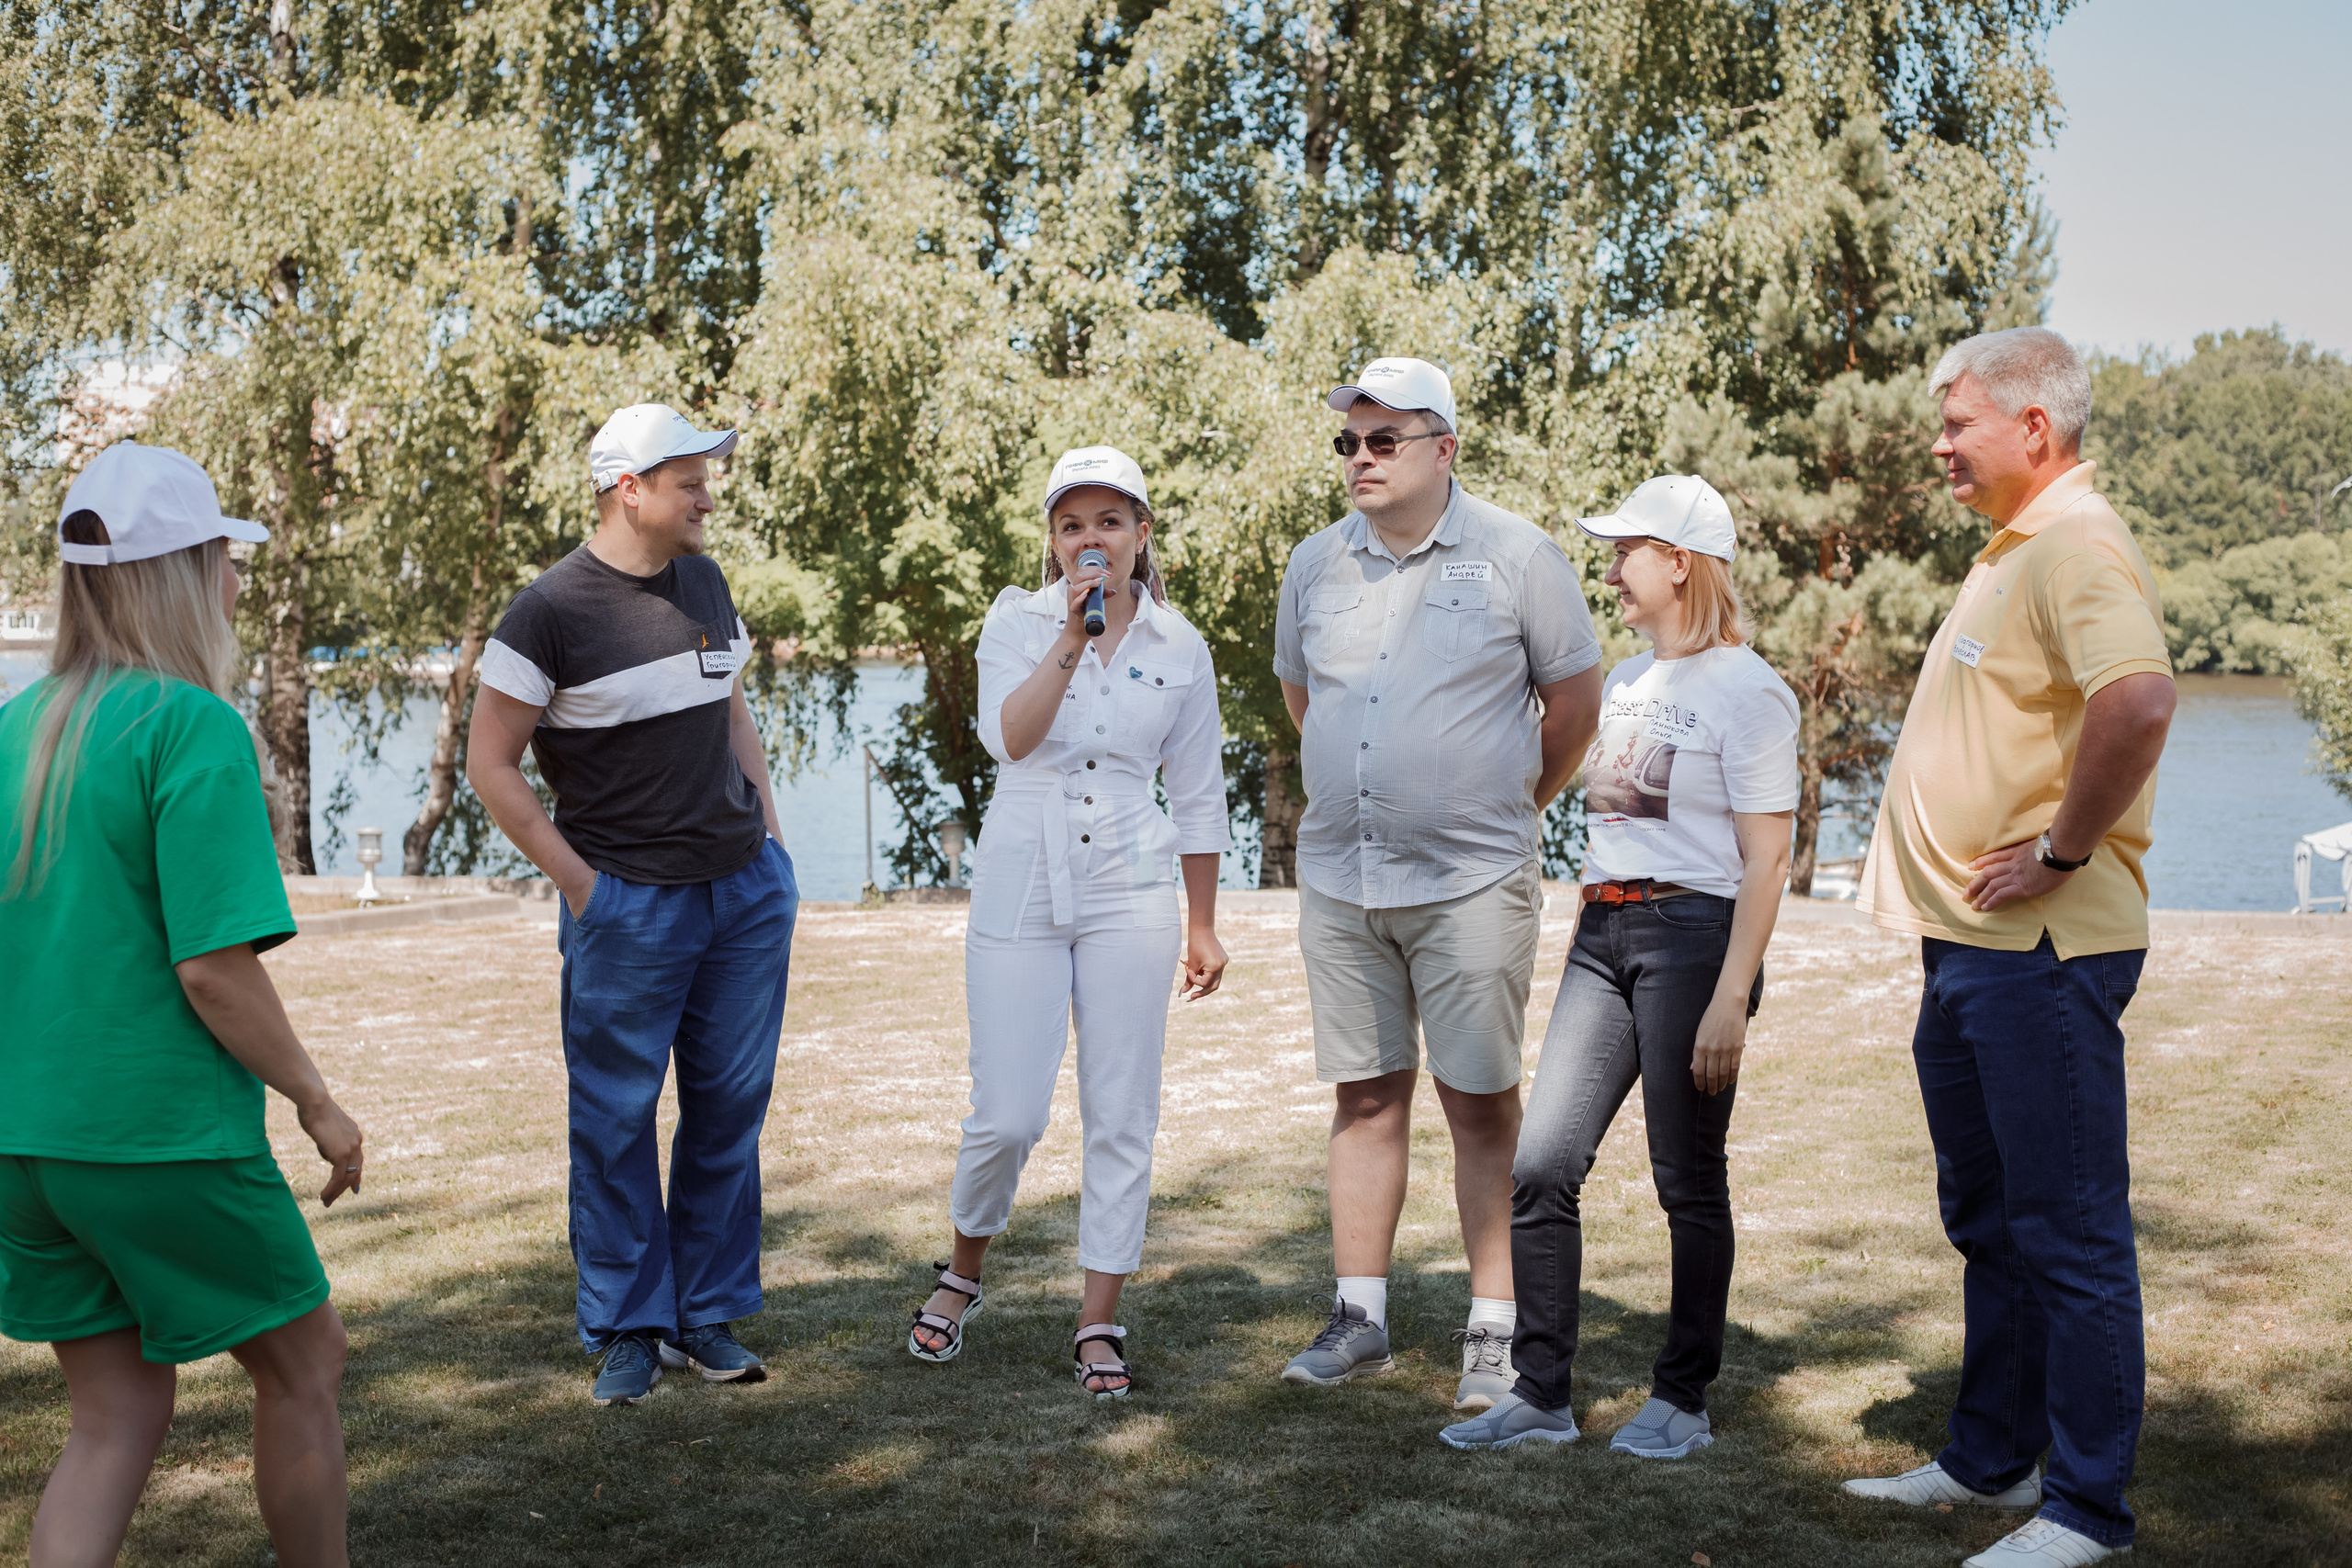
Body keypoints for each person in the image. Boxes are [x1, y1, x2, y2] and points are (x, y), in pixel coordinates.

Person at [1842, 327, 2175, 1568]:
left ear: (2035, 428)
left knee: (2071, 1227)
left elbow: (2136, 701)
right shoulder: (2016, 548)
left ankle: (2088, 1508)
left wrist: (2063, 853)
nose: (1938, 443)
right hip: (1971, 946)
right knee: (1991, 1217)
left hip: (2040, 943)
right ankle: (1992, 1456)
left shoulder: (2077, 541)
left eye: (1957, 421)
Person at [0, 442, 364, 1567]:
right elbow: (213, 969)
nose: (238, 583)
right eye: (225, 559)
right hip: (157, 1137)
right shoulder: (192, 727)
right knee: (307, 1367)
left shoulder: (14, 727)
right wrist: (314, 1099)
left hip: (25, 1143)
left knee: (116, 1415)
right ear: (183, 572)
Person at [1438, 475, 1795, 1454]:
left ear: (1679, 563)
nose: (1608, 570)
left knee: (1687, 1176)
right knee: (1543, 1162)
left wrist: (1733, 994)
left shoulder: (1750, 689)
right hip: (1601, 935)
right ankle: (1541, 1395)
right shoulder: (1629, 682)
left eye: (1625, 551)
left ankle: (1681, 1400)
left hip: (1693, 940)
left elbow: (1768, 857)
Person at [1272, 358, 1604, 1411]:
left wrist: (1507, 803)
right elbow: (1302, 698)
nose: (1360, 460)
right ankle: (1359, 1315)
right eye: (1348, 443)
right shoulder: (1314, 565)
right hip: (1340, 876)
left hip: (1472, 881)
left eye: (1383, 441)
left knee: (1478, 1102)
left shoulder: (1517, 557)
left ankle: (1494, 1331)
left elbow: (1576, 703)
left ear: (1443, 448)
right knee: (1364, 1095)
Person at [468, 404, 798, 1406]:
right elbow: (490, 765)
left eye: (707, 474)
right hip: (628, 907)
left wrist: (774, 841)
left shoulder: (704, 579)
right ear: (630, 490)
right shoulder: (548, 612)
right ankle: (626, 1326)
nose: (707, 493)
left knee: (728, 1112)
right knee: (615, 1121)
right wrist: (582, 889)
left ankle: (705, 1316)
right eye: (689, 478)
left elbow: (729, 702)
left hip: (742, 893)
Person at [905, 446, 1231, 1399]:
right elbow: (1011, 736)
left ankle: (1098, 1319)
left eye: (1110, 522)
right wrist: (1071, 637)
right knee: (1006, 1113)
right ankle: (961, 1274)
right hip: (1019, 877)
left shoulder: (1182, 647)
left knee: (1122, 1109)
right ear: (1053, 540)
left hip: (1132, 884)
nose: (1092, 540)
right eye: (1072, 525)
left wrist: (1203, 924)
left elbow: (1201, 793)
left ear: (1141, 535)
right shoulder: (1014, 622)